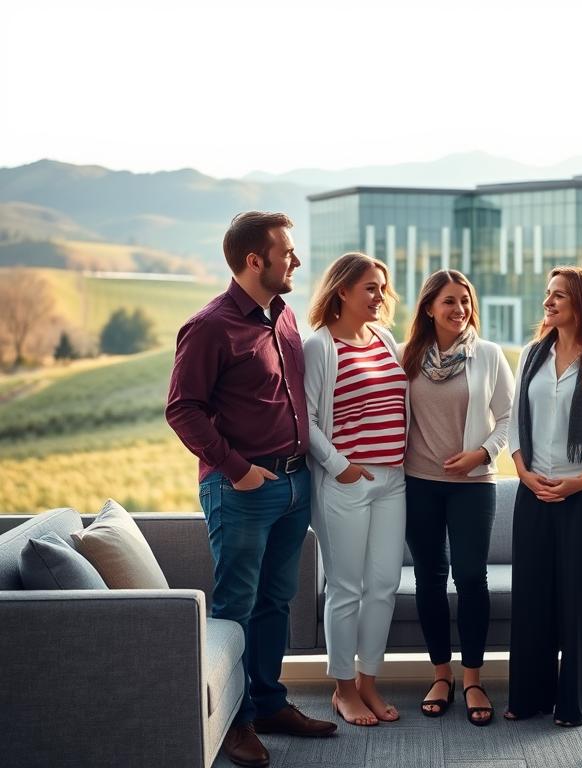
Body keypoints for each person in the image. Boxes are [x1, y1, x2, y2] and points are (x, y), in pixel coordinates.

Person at [166, 211, 336, 768]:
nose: (297, 261)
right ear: (254, 260)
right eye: (287, 252)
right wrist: (236, 469)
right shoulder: (209, 327)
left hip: (293, 484)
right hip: (242, 488)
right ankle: (235, 722)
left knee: (275, 602)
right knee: (236, 606)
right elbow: (183, 410)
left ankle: (269, 705)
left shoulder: (282, 315)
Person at [505, 265, 582, 727]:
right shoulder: (531, 355)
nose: (548, 302)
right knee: (532, 595)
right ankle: (530, 696)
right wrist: (523, 473)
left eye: (559, 295)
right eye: (548, 293)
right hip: (533, 490)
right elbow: (515, 421)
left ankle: (580, 701)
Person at [401, 269, 514, 726]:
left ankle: (472, 679)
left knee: (470, 576)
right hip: (418, 482)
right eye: (449, 301)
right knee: (429, 578)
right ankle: (440, 675)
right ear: (429, 307)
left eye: (465, 301)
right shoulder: (406, 356)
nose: (459, 309)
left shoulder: (487, 355)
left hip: (474, 484)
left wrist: (481, 453)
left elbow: (508, 417)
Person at [302, 252, 407, 727]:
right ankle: (343, 689)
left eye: (383, 288)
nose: (380, 297)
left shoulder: (384, 338)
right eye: (370, 288)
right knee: (346, 588)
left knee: (383, 586)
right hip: (346, 482)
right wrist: (340, 466)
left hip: (393, 481)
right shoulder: (320, 346)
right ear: (342, 290)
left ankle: (367, 681)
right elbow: (306, 420)